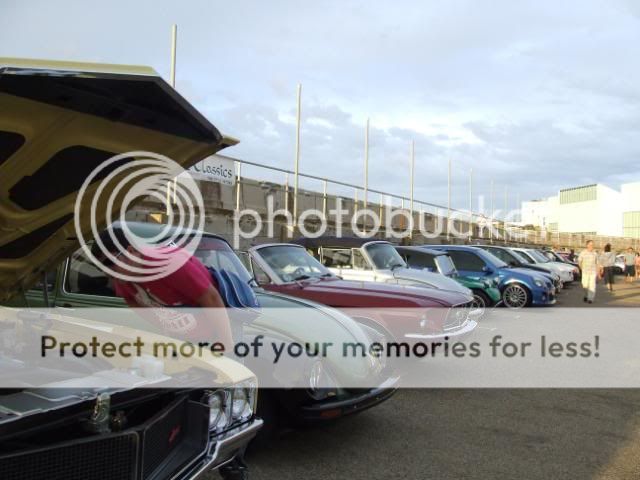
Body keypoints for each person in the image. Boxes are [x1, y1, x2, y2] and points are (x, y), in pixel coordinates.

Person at [92, 226, 247, 479]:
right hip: (188, 338)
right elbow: (137, 306)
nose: (110, 272)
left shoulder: (168, 262)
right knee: (188, 395)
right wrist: (170, 334)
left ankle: (233, 464)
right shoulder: (124, 280)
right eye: (103, 268)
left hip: (220, 326)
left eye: (111, 262)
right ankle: (187, 451)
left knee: (225, 396)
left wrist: (224, 348)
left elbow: (211, 298)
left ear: (131, 251)